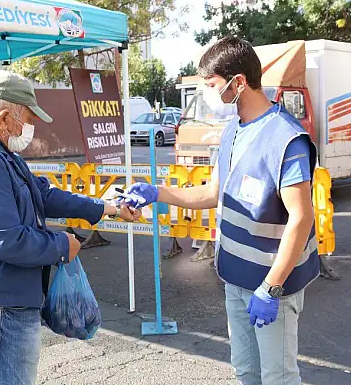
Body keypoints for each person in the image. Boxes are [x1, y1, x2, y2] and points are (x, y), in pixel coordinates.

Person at [122, 36, 318, 385]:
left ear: (238, 82)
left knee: (279, 378)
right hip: (236, 278)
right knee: (245, 372)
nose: (210, 93)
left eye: (212, 85)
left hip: (271, 286)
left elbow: (301, 218)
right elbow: (214, 192)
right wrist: (158, 192)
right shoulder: (233, 130)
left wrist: (271, 287)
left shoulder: (286, 138)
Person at [0, 70, 139, 385]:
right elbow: (4, 240)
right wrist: (61, 246)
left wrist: (105, 207)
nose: (33, 126)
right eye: (28, 118)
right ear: (4, 119)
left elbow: (42, 194)